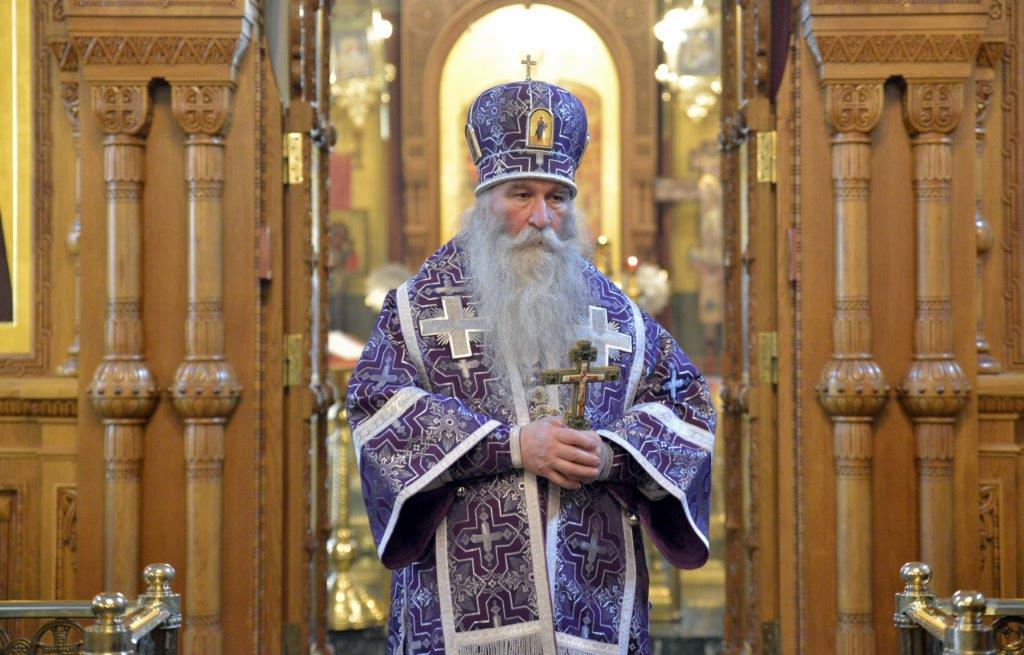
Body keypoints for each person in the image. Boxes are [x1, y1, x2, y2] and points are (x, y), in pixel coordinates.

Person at [347, 76, 716, 655]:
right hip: (456, 614)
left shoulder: (615, 314)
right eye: (521, 194)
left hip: (591, 604)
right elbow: (377, 408)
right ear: (484, 198)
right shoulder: (419, 310)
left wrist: (613, 454)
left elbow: (686, 405)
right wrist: (513, 446)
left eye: (557, 197)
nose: (541, 216)